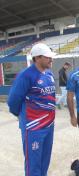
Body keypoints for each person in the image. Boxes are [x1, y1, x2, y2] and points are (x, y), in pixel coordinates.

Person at [7, 43, 56, 176]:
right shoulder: (26, 75)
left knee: (45, 161)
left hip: (49, 126)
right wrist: (22, 117)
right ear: (37, 58)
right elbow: (12, 101)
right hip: (34, 128)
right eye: (48, 57)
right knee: (33, 164)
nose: (51, 59)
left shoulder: (49, 74)